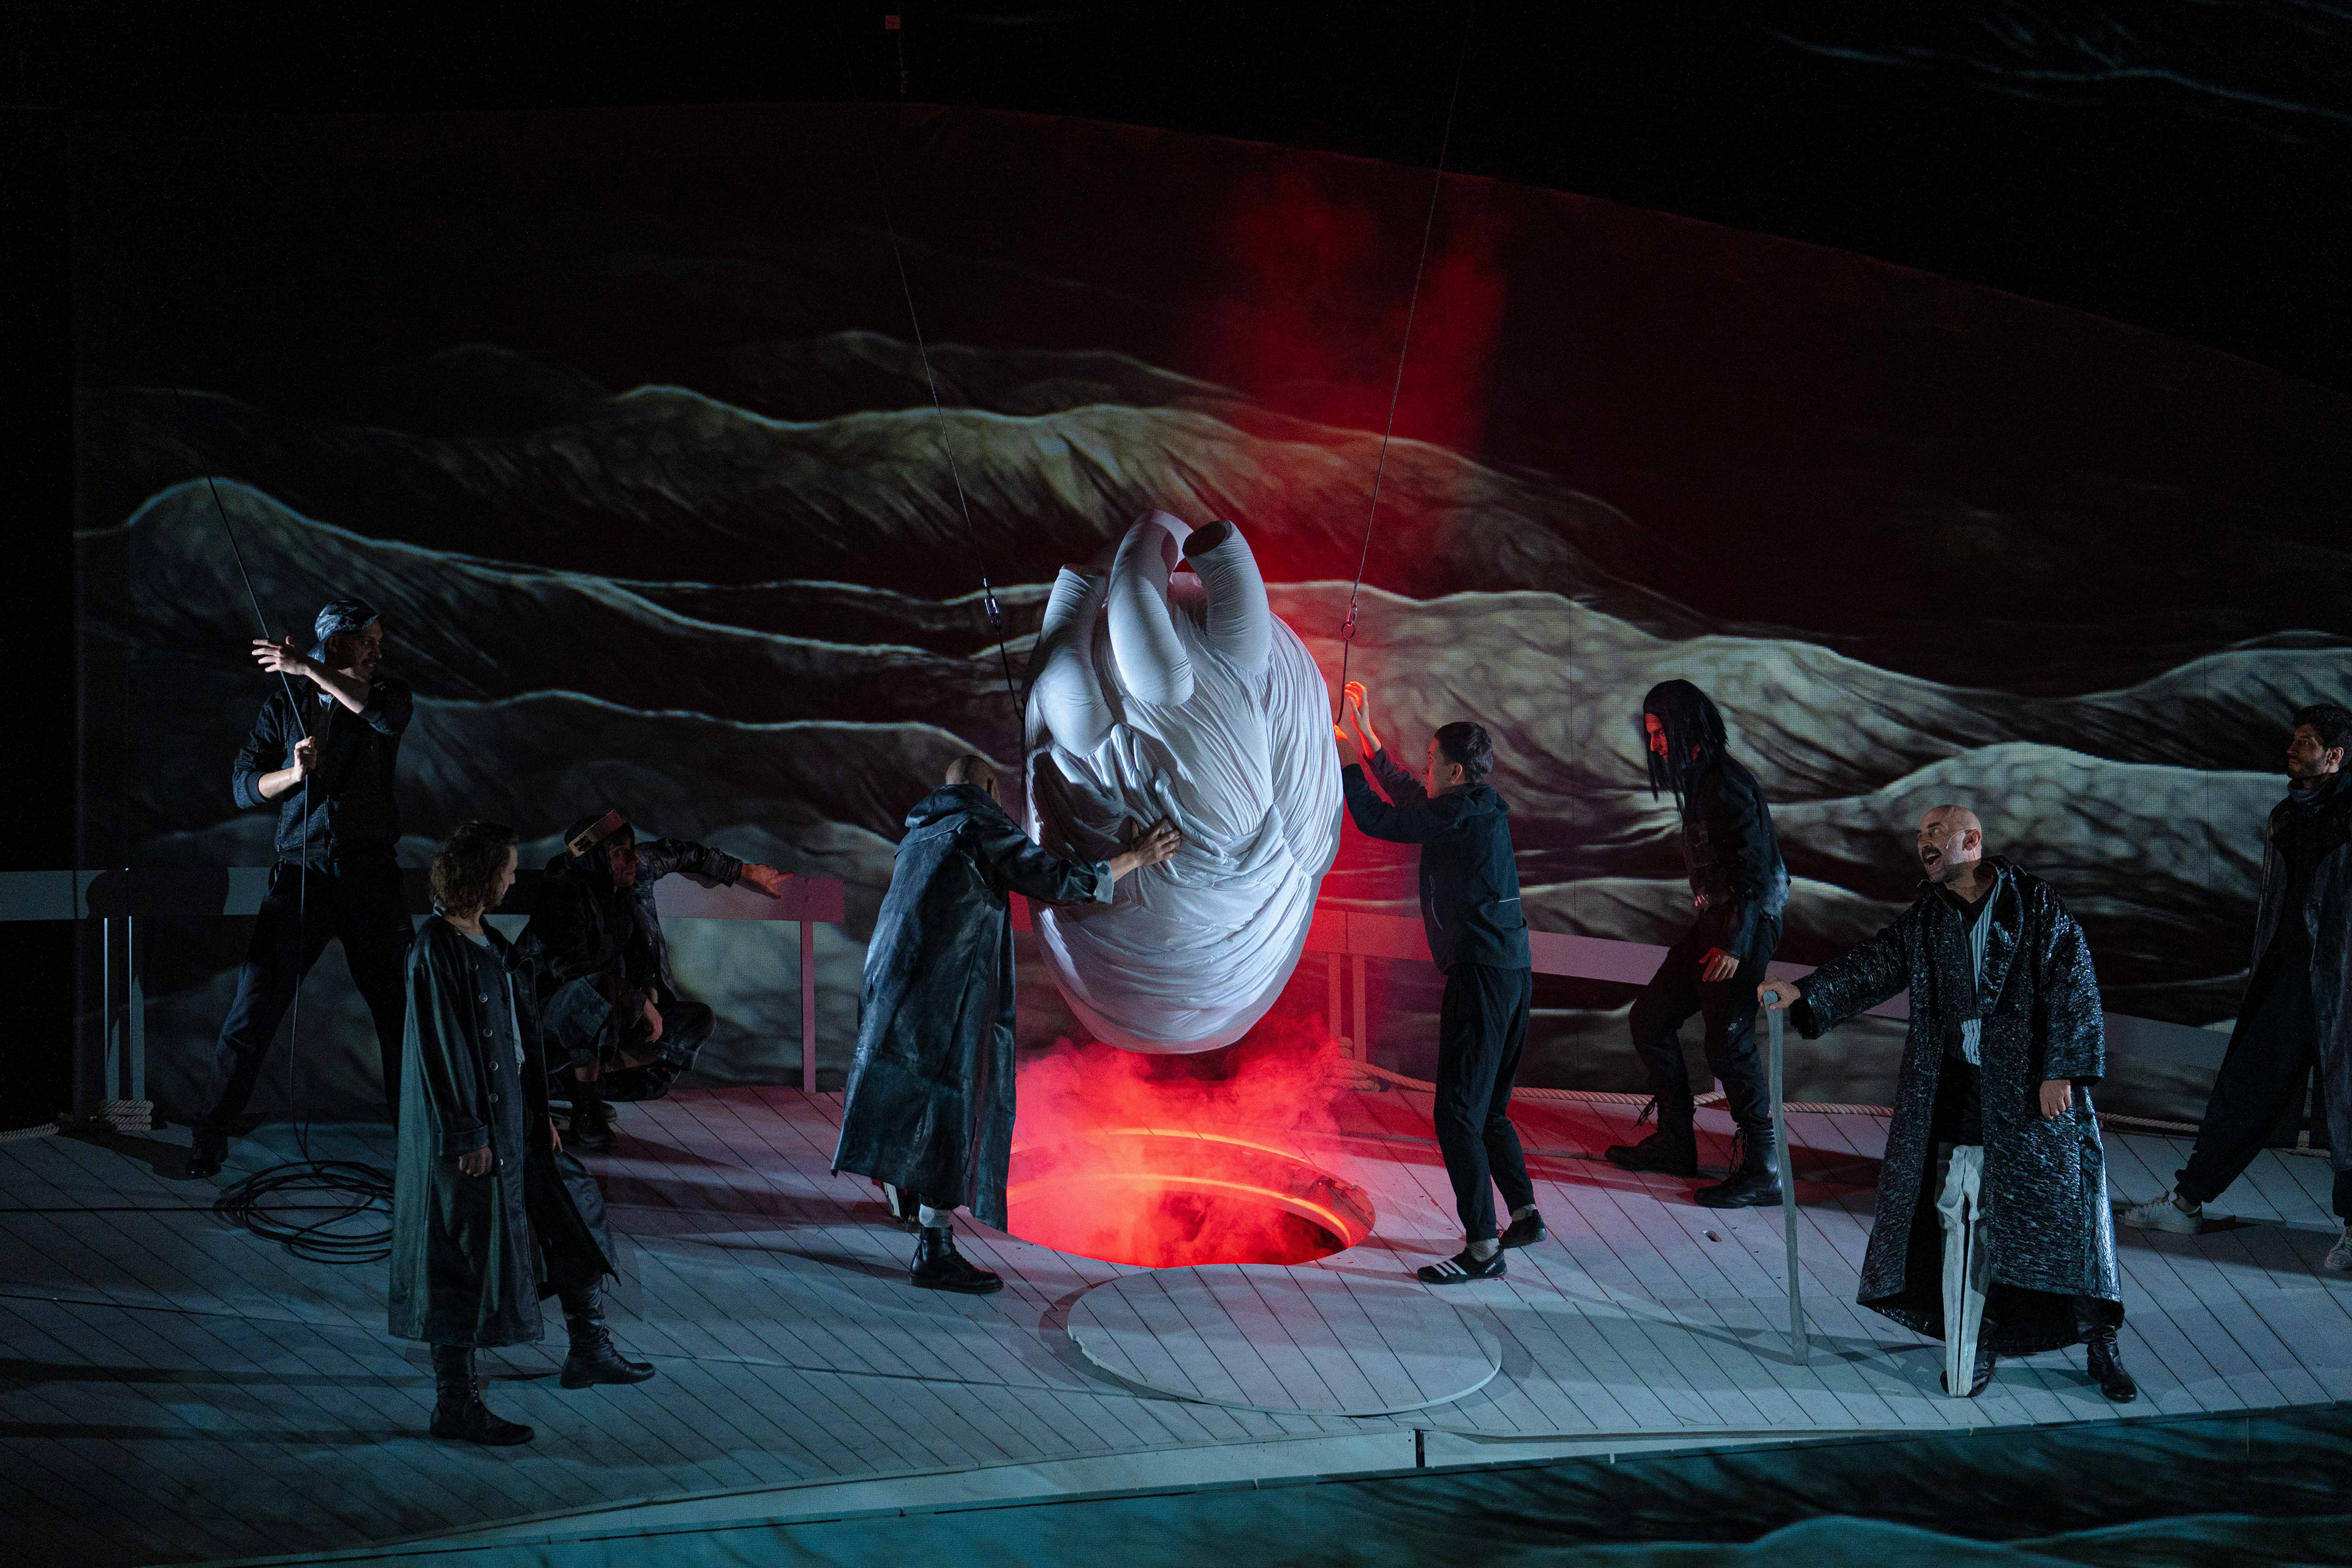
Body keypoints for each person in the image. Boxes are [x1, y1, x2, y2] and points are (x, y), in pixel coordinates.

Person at [1760, 805, 2136, 1403]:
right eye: (1919, 835)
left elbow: (2074, 981)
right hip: (1959, 1089)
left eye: (1936, 832)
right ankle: (1975, 1337)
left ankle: (2100, 1341)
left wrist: (2062, 1069)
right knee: (1967, 1224)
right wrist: (1804, 992)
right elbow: (1875, 964)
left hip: (2031, 1092)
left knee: (2069, 1213)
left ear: (1972, 840)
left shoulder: (2033, 904)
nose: (1923, 842)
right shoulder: (1928, 918)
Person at [833, 755, 1180, 1294]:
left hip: (893, 985)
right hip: (944, 993)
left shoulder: (920, 833)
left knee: (911, 1099)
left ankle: (913, 1208)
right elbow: (1053, 879)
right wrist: (1136, 857)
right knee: (953, 1108)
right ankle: (934, 1249)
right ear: (992, 788)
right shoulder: (978, 822)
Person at [388, 821, 654, 1448]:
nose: (512, 879)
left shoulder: (489, 941)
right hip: (472, 1136)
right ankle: (455, 1402)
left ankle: (588, 1348)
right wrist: (468, 1134)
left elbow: (517, 1040)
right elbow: (443, 1051)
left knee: (570, 1213)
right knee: (459, 1255)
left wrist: (538, 1118)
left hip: (515, 1125)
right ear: (481, 874)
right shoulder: (436, 949)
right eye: (506, 869)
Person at [184, 599, 415, 1179]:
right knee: (253, 1011)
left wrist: (307, 667)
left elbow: (385, 718)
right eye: (368, 641)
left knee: (401, 1019)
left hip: (371, 877)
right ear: (338, 643)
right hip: (301, 874)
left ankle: (418, 1148)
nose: (379, 651)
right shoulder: (283, 704)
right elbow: (243, 787)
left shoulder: (385, 694)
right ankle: (210, 1135)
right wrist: (292, 774)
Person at [2122, 703, 2352, 1268]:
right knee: (2247, 1090)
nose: (2292, 749)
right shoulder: (2286, 815)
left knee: (2348, 1103)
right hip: (2288, 978)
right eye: (2294, 739)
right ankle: (2187, 1201)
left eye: (2305, 742)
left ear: (2335, 755)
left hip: (2343, 984)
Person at [1338, 684, 1539, 1285]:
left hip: (1481, 977)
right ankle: (1524, 1216)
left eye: (1430, 761)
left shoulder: (1459, 813)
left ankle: (1483, 1247)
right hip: (1510, 973)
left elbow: (1381, 819)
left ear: (1454, 771)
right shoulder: (1470, 806)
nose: (1423, 769)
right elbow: (1411, 798)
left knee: (1456, 1116)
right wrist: (1367, 740)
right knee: (1489, 1110)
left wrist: (1342, 759)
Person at [1605, 680, 1790, 1208]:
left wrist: (1734, 942)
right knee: (1651, 1019)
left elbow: (1754, 872)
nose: (1655, 744)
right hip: (1719, 923)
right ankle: (1676, 1142)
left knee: (1729, 1045)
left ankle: (1765, 1170)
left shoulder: (1725, 783)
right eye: (1651, 734)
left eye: (1660, 732)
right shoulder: (1704, 781)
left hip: (1741, 927)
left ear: (1685, 725)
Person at [521, 810, 792, 1151]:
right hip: (550, 1024)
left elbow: (681, 853)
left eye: (631, 848)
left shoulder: (634, 875)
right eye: (620, 853)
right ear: (596, 859)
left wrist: (742, 871)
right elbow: (575, 975)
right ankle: (585, 1112)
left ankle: (582, 1087)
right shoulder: (563, 895)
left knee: (695, 1022)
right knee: (594, 991)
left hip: (610, 1017)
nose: (632, 859)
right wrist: (637, 1001)